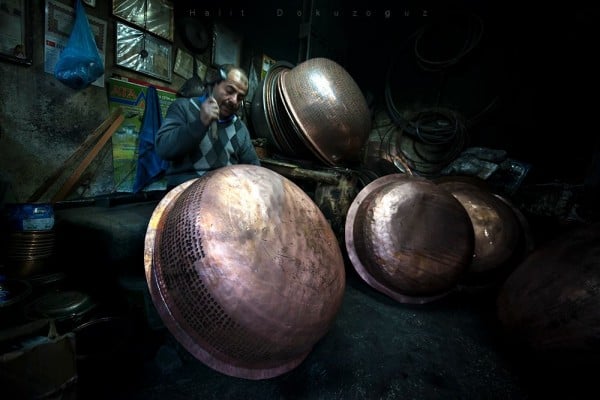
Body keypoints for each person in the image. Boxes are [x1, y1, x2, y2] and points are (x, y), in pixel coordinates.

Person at [155, 64, 260, 188]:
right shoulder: (183, 107)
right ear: (215, 84)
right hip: (183, 191)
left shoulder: (239, 128)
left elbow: (254, 170)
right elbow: (163, 149)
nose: (234, 100)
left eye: (240, 97)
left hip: (222, 193)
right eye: (230, 91)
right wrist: (200, 123)